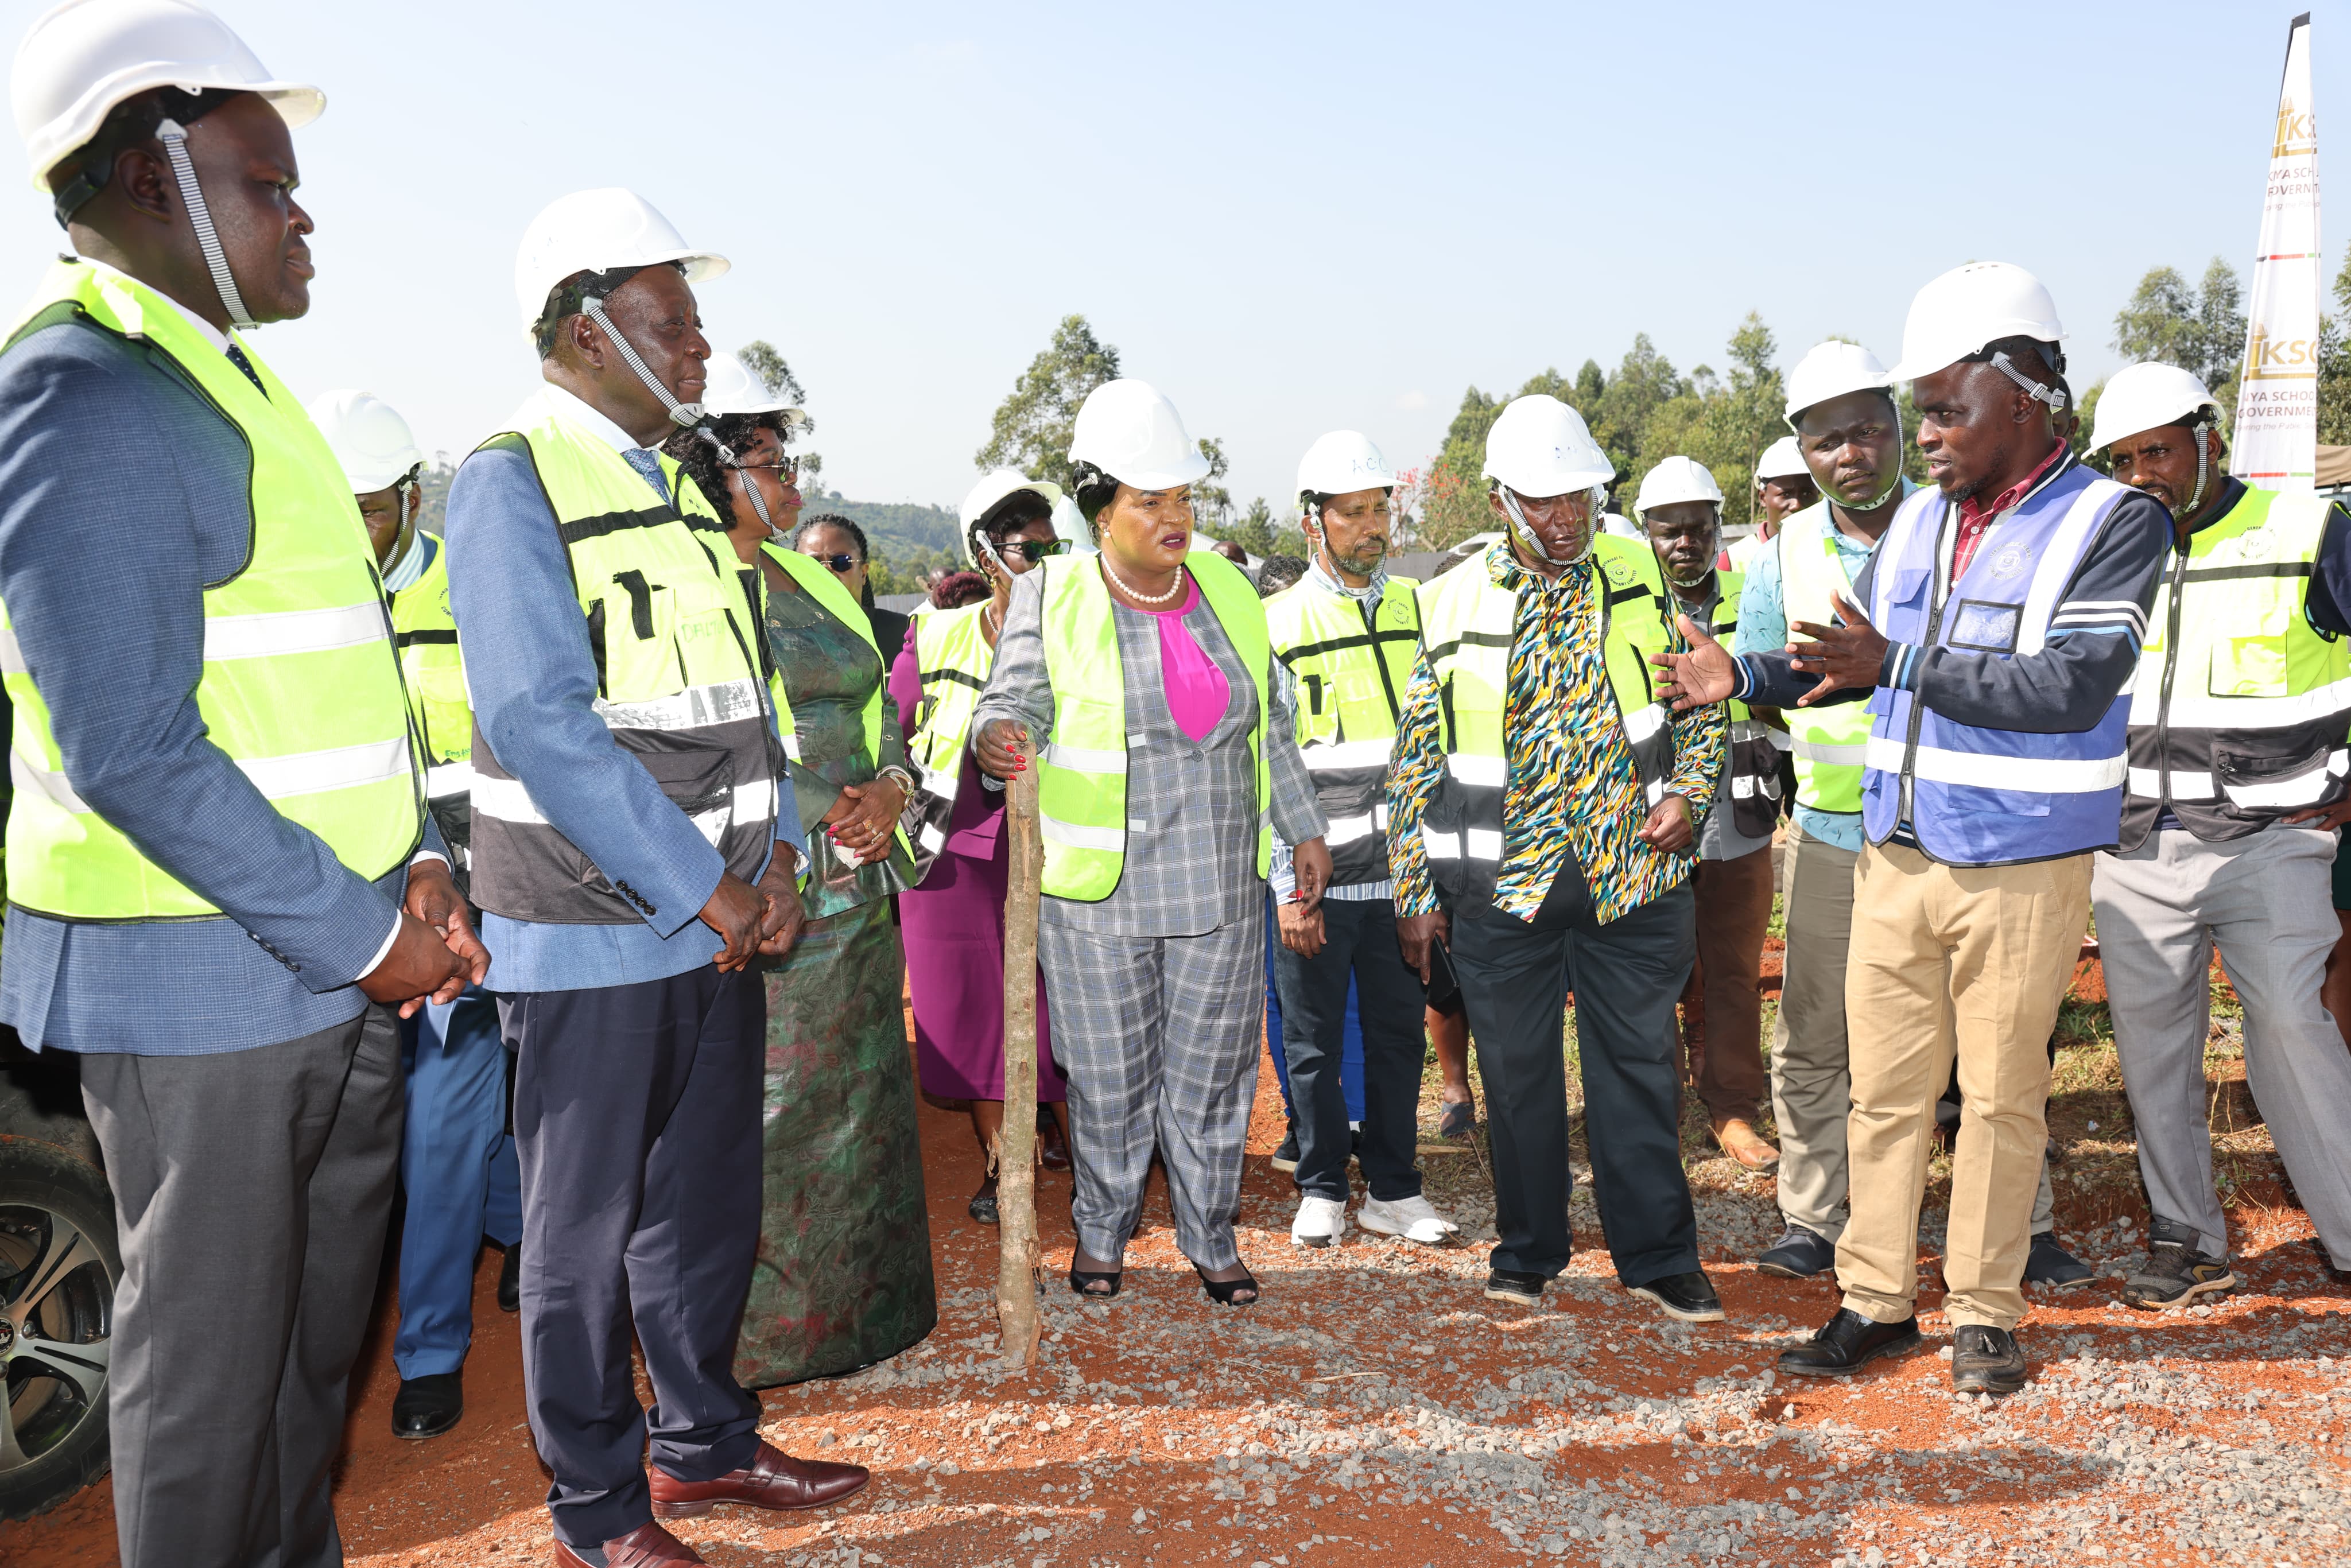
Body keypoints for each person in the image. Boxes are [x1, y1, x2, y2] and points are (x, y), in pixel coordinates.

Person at [0, 8, 481, 1563]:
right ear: (157, 179)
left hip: (327, 957)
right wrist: (363, 933)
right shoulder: (88, 391)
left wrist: (410, 865)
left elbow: (330, 684)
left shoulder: (242, 387)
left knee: (299, 1361)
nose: (304, 211)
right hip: (202, 977)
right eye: (266, 181)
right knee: (210, 1383)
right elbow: (129, 746)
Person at [1658, 262, 2170, 1395]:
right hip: (1893, 853)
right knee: (1882, 1092)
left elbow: (2072, 683)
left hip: (2017, 868)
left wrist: (1894, 664)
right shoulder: (1918, 527)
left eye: (1944, 407)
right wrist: (1733, 675)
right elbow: (1834, 663)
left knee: (1994, 1096)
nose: (1923, 434)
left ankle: (1985, 1309)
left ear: (2025, 392)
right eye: (1921, 410)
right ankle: (1876, 1299)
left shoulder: (2111, 521)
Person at [447, 191, 863, 1566]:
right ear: (584, 328)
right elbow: (539, 723)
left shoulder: (681, 487)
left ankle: (704, 1441)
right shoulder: (509, 479)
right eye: (668, 322)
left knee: (701, 1207)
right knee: (577, 1239)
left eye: (693, 324)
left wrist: (780, 854)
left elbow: (743, 705)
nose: (697, 349)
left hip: (714, 927)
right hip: (590, 931)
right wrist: (703, 883)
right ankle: (598, 1510)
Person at [1738, 341, 2089, 1290]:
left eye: (1865, 429)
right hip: (1840, 826)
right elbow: (1770, 684)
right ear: (1803, 455)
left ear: (1901, 429)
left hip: (1980, 828)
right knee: (1819, 1035)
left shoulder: (1971, 526)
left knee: (1998, 1046)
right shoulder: (1782, 555)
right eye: (1825, 441)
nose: (1849, 453)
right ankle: (1817, 1217)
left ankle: (2027, 1228)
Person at [972, 378, 1332, 1306]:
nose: (1175, 518)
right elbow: (1007, 706)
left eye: (1183, 498)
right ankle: (1103, 1230)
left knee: (1212, 1081)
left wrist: (1300, 828)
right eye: (1150, 501)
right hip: (1096, 900)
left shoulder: (1229, 588)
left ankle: (1211, 1237)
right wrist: (997, 737)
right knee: (1109, 1081)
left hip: (1215, 887)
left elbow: (1271, 724)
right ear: (1100, 511)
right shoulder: (1046, 594)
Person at [1387, 395, 1728, 1322]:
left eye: (1578, 495)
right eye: (1543, 501)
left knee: (1639, 1074)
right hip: (1505, 887)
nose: (1566, 516)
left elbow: (1701, 699)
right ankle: (1529, 1249)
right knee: (1519, 1079)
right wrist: (1416, 891)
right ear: (1501, 501)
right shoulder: (1449, 599)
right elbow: (1418, 752)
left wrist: (1688, 796)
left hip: (1633, 877)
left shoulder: (1639, 571)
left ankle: (1658, 1257)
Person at [660, 351, 937, 1384]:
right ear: (712, 465)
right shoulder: (689, 580)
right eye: (770, 464)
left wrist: (894, 794)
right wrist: (829, 806)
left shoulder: (809, 571)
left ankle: (872, 1314)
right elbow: (705, 734)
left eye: (790, 461)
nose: (794, 486)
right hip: (763, 890)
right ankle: (755, 1349)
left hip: (859, 891)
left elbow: (885, 708)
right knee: (766, 1127)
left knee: (861, 1113)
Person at [2085, 362, 2351, 1306]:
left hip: (2269, 840)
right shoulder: (2113, 552)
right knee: (2152, 1044)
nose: (2139, 473)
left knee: (2286, 1018)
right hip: (2133, 847)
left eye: (2155, 450)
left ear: (2210, 441)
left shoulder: (2305, 530)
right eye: (2120, 460)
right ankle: (2188, 1236)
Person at [309, 389, 523, 1442]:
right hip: (345, 913)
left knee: (445, 1125)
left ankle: (431, 1352)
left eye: (374, 509)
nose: (357, 531)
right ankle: (520, 1228)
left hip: (471, 910)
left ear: (410, 494)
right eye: (334, 506)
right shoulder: (309, 598)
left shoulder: (473, 593)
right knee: (428, 1130)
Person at [1266, 432, 1459, 1248]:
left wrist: (1430, 881)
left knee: (1394, 1037)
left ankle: (1393, 1188)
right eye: (1353, 512)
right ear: (1314, 522)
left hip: (1400, 881)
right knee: (1310, 1043)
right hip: (1317, 882)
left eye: (1381, 508)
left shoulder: (1419, 611)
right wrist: (1286, 886)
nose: (1372, 526)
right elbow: (1266, 763)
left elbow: (1433, 751)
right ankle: (1320, 1186)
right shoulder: (1274, 621)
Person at [889, 468, 1075, 1225]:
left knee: (1061, 1002)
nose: (1035, 557)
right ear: (985, 552)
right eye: (1019, 545)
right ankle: (1007, 1168)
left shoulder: (1084, 626)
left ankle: (1080, 1142)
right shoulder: (933, 631)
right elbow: (893, 731)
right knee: (969, 1011)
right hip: (948, 853)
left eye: (1048, 544)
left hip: (1055, 843)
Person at [1632, 456, 1782, 1173]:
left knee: (1730, 970)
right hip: (1648, 828)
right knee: (1648, 972)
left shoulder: (1753, 601)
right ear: (1646, 534)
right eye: (1669, 531)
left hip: (1738, 819)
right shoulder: (1627, 611)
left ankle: (1731, 1107)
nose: (1685, 543)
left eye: (1698, 528)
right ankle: (1652, 1108)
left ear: (1719, 527)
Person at [800, 511, 910, 670]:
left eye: (840, 562)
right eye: (813, 565)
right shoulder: (780, 642)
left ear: (863, 572)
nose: (826, 572)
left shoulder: (904, 633)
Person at [1729, 436, 1819, 573]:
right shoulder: (1732, 560)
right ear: (1763, 498)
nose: (1796, 505)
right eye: (1785, 494)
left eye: (1807, 494)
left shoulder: (1840, 550)